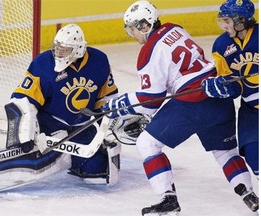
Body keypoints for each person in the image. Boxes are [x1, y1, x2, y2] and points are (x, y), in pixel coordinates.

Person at [101, 1, 259, 215]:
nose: (132, 35)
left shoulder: (148, 52)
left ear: (145, 26)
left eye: (133, 29)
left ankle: (168, 200)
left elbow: (152, 100)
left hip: (193, 102)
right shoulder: (175, 28)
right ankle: (249, 194)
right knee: (225, 151)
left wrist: (119, 104)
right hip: (218, 96)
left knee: (147, 143)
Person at [0, 23, 124, 195]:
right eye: (57, 47)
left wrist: (108, 125)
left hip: (82, 127)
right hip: (50, 125)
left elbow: (107, 98)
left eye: (64, 49)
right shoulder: (43, 64)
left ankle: (75, 160)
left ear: (79, 50)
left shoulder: (99, 61)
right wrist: (26, 134)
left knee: (98, 172)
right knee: (45, 161)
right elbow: (22, 99)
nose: (58, 52)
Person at [201, 0, 258, 178]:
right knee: (253, 153)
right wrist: (223, 86)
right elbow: (235, 87)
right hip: (251, 109)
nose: (224, 25)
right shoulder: (221, 45)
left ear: (241, 21)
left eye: (228, 21)